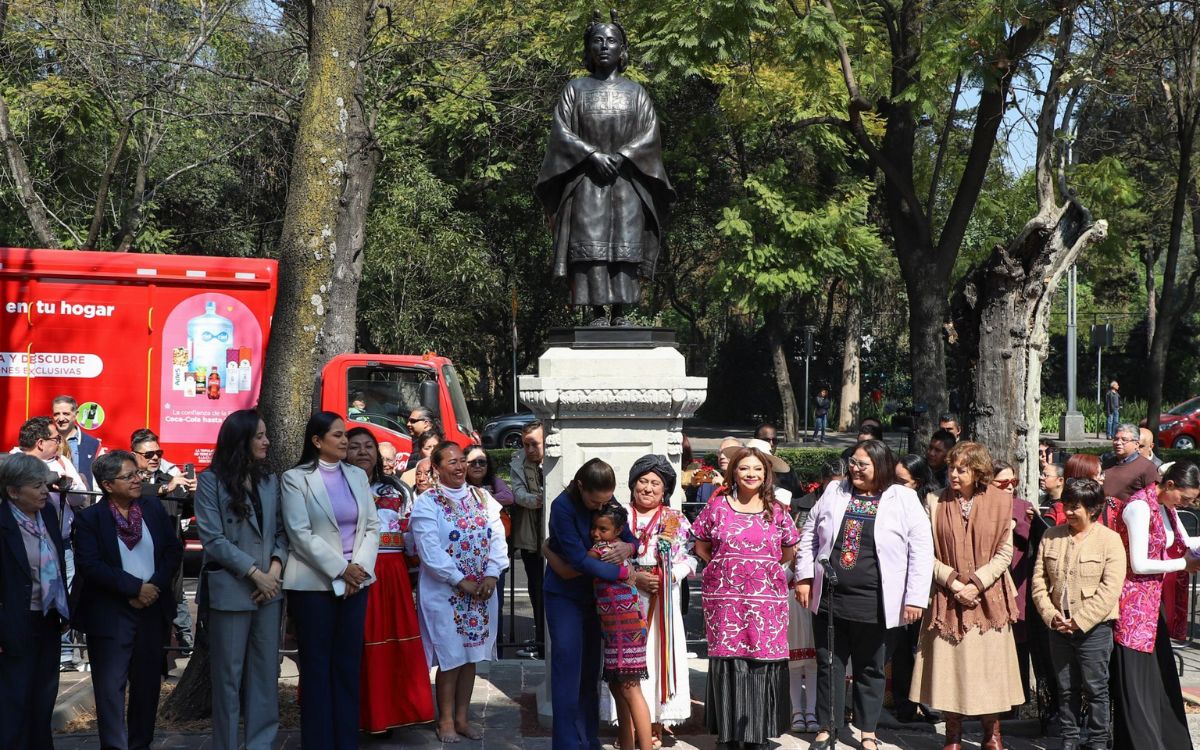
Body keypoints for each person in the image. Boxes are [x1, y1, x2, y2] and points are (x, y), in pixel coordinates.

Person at [534, 9, 675, 325]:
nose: (604, 46)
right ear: (588, 49)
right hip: (588, 181)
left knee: (625, 245)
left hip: (627, 182)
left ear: (622, 49)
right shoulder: (575, 90)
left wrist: (624, 155)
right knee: (592, 247)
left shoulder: (636, 93)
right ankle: (597, 313)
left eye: (611, 40)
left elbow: (650, 134)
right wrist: (592, 156)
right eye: (597, 41)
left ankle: (622, 313)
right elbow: (561, 134)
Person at [796, 441, 934, 750]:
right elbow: (809, 534)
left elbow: (922, 551)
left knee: (871, 668)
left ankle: (868, 731)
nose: (855, 470)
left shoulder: (904, 498)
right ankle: (827, 727)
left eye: (863, 465)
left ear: (881, 467)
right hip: (832, 598)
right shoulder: (835, 491)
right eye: (853, 463)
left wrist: (915, 598)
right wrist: (804, 577)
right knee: (829, 662)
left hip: (878, 602)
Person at [909, 441, 1025, 750]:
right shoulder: (933, 501)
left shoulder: (1001, 501)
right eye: (951, 468)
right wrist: (954, 583)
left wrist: (976, 583)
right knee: (949, 669)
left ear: (979, 471)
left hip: (989, 598)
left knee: (990, 669)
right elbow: (924, 553)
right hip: (948, 598)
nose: (954, 474)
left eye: (963, 469)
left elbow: (1004, 552)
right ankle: (953, 735)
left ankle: (992, 734)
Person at [281, 412, 380, 750]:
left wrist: (359, 568)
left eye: (344, 435)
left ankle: (345, 741)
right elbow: (299, 533)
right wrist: (341, 569)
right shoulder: (296, 478)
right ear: (317, 441)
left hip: (358, 583)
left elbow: (372, 527)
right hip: (314, 586)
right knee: (317, 668)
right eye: (337, 435)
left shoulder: (356, 475)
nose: (344, 441)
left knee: (348, 666)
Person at [691, 446, 800, 749]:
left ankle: (757, 733)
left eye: (757, 469)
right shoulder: (717, 507)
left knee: (760, 663)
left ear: (765, 474)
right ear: (733, 473)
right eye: (744, 468)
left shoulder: (777, 509)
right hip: (725, 599)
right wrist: (724, 566)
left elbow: (789, 550)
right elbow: (701, 544)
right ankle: (729, 733)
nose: (751, 474)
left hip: (766, 600)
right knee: (730, 662)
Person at [73, 450, 182, 750]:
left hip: (151, 610)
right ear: (108, 485)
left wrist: (153, 587)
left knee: (146, 688)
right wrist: (134, 589)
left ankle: (140, 744)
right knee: (110, 691)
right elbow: (91, 565)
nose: (139, 479)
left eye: (138, 473)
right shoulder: (90, 519)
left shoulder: (152, 508)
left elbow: (172, 551)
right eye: (130, 476)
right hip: (110, 614)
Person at [580, 456, 693, 744]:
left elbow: (689, 558)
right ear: (632, 484)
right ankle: (626, 729)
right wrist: (636, 577)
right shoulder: (617, 516)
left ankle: (655, 724)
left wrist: (669, 576)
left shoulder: (675, 519)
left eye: (656, 483)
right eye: (643, 481)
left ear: (665, 489)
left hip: (661, 598)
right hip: (624, 602)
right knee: (626, 669)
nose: (648, 488)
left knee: (655, 658)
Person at [195, 410, 288, 750]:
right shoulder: (210, 481)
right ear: (241, 440)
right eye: (260, 436)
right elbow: (213, 538)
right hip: (233, 590)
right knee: (228, 678)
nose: (266, 441)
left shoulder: (269, 479)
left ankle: (261, 744)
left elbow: (282, 531)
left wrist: (274, 573)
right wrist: (255, 574)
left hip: (270, 592)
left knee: (265, 675)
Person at [411, 441, 508, 742]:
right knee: (450, 657)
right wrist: (458, 579)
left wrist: (492, 575)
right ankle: (447, 720)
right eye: (451, 462)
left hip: (480, 592)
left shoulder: (483, 498)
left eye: (462, 460)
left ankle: (464, 718)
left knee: (470, 657)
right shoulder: (427, 503)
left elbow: (497, 539)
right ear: (437, 468)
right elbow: (429, 550)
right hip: (446, 593)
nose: (459, 466)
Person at [542, 458, 638, 750]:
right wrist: (624, 572)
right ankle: (568, 744)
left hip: (596, 597)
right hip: (564, 597)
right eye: (596, 501)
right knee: (567, 672)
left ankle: (588, 739)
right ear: (581, 486)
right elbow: (578, 561)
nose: (600, 507)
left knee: (590, 674)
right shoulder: (562, 508)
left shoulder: (604, 497)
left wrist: (628, 546)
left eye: (606, 501)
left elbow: (631, 537)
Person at [344, 427, 434, 734]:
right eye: (354, 446)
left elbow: (409, 534)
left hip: (391, 571)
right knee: (357, 642)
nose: (363, 452)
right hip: (351, 571)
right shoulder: (335, 486)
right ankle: (357, 716)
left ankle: (392, 715)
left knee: (392, 642)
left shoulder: (396, 490)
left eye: (368, 446)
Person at [1110, 460, 1200, 750]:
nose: (1187, 504)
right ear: (1170, 485)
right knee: (1138, 682)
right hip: (1133, 604)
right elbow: (1137, 563)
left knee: (1160, 678)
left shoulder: (1167, 507)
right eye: (1185, 498)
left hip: (1152, 602)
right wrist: (1183, 564)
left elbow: (1186, 542)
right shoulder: (1138, 507)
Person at [1031, 478, 1126, 750]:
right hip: (1058, 627)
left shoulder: (1110, 540)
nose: (1069, 512)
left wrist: (1080, 621)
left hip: (1094, 629)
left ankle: (1097, 741)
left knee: (1096, 688)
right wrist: (1051, 616)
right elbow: (1039, 581)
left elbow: (1110, 589)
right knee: (1065, 688)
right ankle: (1069, 739)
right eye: (1067, 506)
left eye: (1075, 507)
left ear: (1093, 509)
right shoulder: (1051, 536)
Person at [0, 453, 70, 750]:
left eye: (45, 484)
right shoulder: (3, 523)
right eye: (36, 486)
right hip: (14, 621)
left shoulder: (48, 515)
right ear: (13, 491)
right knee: (15, 700)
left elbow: (59, 563)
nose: (44, 490)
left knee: (43, 699)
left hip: (48, 617)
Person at [890, 454, 943, 725]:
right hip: (897, 585)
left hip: (928, 585)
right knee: (900, 649)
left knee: (922, 648)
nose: (895, 487)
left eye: (902, 482)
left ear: (918, 482)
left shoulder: (932, 503)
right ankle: (904, 705)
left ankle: (930, 703)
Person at [131, 428, 196, 649]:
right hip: (137, 555)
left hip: (167, 555)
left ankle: (163, 657)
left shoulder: (169, 479)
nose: (155, 457)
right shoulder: (129, 479)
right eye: (148, 454)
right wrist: (164, 488)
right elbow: (136, 493)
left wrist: (192, 494)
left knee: (168, 605)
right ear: (134, 455)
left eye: (158, 452)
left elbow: (186, 512)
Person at [992, 461, 1036, 707]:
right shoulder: (982, 506)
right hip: (988, 581)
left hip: (1018, 581)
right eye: (1003, 483)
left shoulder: (1023, 507)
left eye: (1014, 482)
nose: (1010, 487)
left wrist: (1020, 522)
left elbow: (1033, 537)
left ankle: (1018, 702)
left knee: (1019, 642)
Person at [465, 445, 513, 653]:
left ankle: (495, 651)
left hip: (492, 558)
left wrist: (483, 496)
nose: (477, 466)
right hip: (466, 557)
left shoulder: (493, 482)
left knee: (495, 604)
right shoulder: (457, 488)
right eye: (472, 462)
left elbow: (509, 497)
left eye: (481, 462)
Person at [511, 421, 547, 659]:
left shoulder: (554, 458)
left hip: (552, 534)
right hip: (530, 536)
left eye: (535, 444)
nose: (530, 449)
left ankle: (550, 638)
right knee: (536, 590)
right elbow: (517, 492)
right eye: (526, 445)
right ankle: (541, 641)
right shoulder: (518, 461)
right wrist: (537, 500)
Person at [52, 395, 101, 488]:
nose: (61, 419)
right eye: (56, 414)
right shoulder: (44, 440)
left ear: (76, 414)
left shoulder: (93, 444)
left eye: (66, 414)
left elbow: (97, 483)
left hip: (82, 500)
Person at [1103, 423, 1160, 502]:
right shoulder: (1107, 464)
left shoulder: (1147, 468)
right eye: (1116, 439)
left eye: (1124, 440)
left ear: (1136, 444)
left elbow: (1154, 499)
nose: (1118, 443)